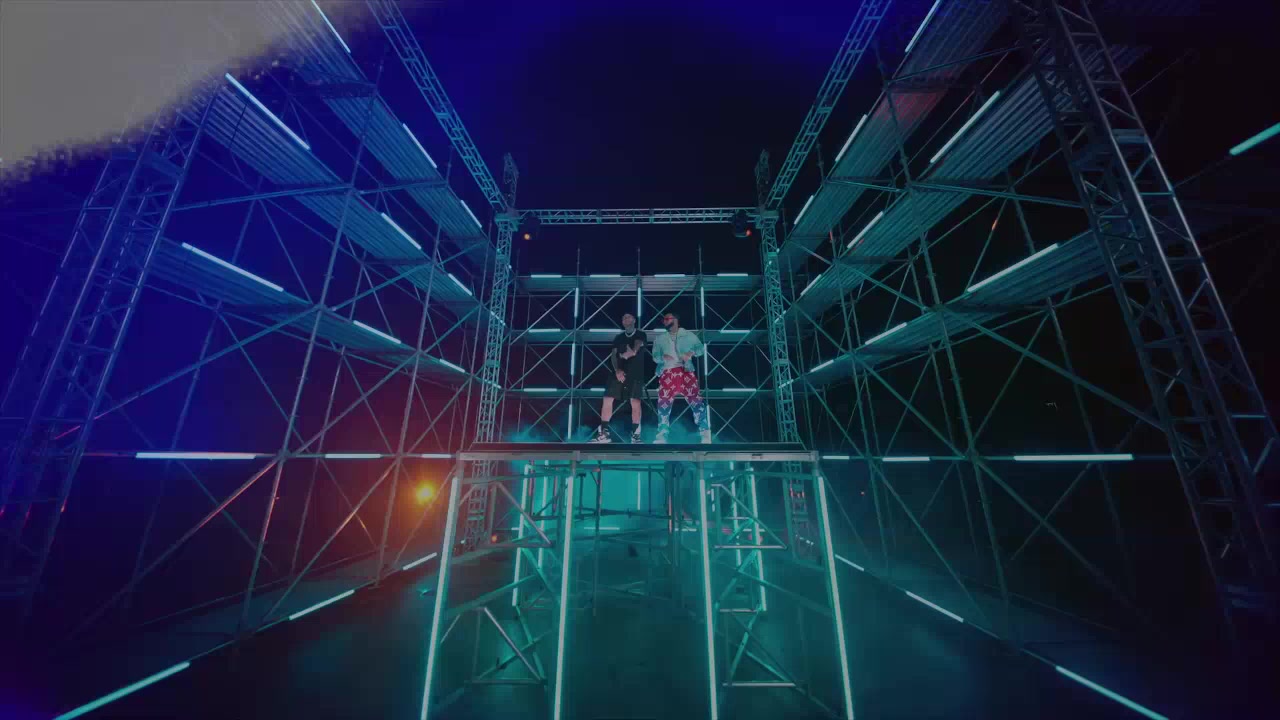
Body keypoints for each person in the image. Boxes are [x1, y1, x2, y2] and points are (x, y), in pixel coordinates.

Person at [651, 312, 710, 444]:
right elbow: (655, 357)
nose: (665, 321)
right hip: (667, 372)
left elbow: (700, 349)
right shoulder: (660, 339)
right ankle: (662, 434)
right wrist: (662, 357)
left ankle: (705, 433)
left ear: (676, 320)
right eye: (664, 320)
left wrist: (690, 353)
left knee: (696, 401)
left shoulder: (688, 335)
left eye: (668, 319)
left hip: (686, 370)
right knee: (663, 403)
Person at [590, 313, 645, 443]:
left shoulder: (640, 334)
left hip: (635, 374)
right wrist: (617, 370)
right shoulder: (618, 338)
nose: (626, 319)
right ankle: (604, 433)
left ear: (634, 320)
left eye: (629, 317)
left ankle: (636, 435)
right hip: (618, 373)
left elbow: (636, 347)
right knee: (607, 398)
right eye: (624, 318)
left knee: (635, 402)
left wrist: (630, 353)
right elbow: (613, 355)